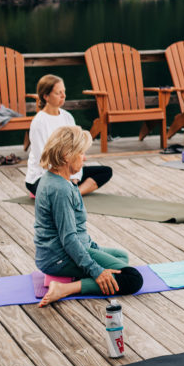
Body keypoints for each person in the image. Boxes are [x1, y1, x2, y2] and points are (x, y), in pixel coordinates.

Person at [34, 126, 143, 307]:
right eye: (81, 153)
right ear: (66, 156)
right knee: (133, 279)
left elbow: (76, 229)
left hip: (62, 252)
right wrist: (96, 271)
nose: (84, 158)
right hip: (59, 257)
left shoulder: (58, 180)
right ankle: (65, 288)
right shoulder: (59, 189)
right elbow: (69, 238)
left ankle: (74, 277)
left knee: (121, 257)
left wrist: (93, 249)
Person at [24, 74, 112, 197]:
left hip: (69, 171)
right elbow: (43, 160)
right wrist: (65, 179)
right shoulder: (39, 122)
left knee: (106, 171)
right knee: (59, 189)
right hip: (43, 176)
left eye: (64, 92)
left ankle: (75, 193)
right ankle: (66, 191)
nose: (63, 96)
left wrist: (75, 177)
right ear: (46, 96)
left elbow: (77, 149)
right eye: (58, 93)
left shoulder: (67, 117)